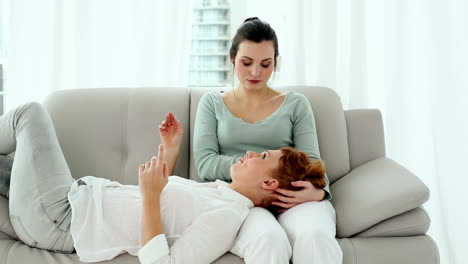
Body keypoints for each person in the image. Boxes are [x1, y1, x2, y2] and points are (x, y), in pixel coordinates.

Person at [0, 102, 326, 263]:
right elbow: (173, 207)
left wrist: (151, 196)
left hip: (61, 217)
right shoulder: (219, 192)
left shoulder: (227, 216)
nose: (251, 153)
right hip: (68, 200)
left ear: (269, 185)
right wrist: (170, 150)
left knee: (28, 114)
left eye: (263, 157)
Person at [193, 17, 343, 263]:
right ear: (233, 59)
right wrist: (255, 171)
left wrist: (319, 192)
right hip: (240, 200)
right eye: (246, 62)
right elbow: (206, 163)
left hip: (290, 197)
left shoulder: (295, 104)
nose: (255, 72)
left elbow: (312, 162)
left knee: (315, 234)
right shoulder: (212, 103)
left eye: (265, 64)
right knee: (269, 241)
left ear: (276, 62)